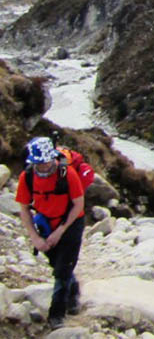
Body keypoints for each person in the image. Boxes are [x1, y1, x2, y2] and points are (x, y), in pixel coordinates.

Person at [15, 136, 85, 329]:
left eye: (46, 163)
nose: (44, 167)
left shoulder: (67, 174)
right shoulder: (27, 177)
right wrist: (35, 238)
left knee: (62, 271)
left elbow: (78, 204)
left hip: (71, 223)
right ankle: (74, 291)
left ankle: (56, 316)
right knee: (57, 264)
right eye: (39, 164)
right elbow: (24, 209)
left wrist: (60, 231)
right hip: (46, 224)